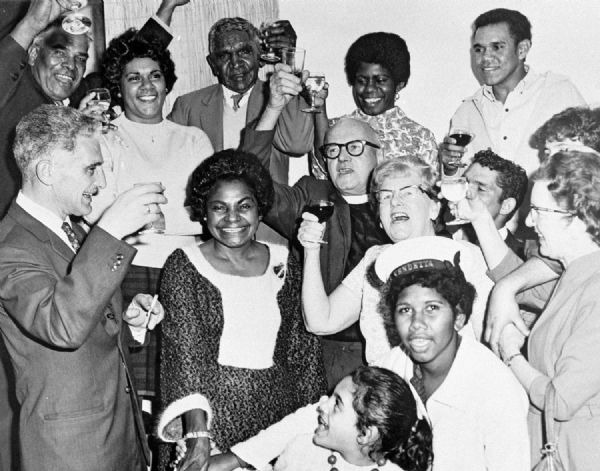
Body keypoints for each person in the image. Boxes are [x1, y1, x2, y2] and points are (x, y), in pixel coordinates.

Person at [212, 247, 529, 471]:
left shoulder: (495, 388)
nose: (417, 323)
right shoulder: (395, 364)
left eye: (432, 308)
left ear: (459, 317)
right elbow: (321, 413)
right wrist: (237, 458)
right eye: (405, 310)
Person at [0, 105, 166, 471]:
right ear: (46, 171)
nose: (102, 183)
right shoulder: (9, 246)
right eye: (91, 168)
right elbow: (60, 325)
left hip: (119, 439)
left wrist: (127, 318)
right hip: (70, 453)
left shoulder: (73, 231)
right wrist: (110, 231)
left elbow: (82, 307)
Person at [156, 149, 326, 471]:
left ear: (260, 211)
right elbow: (186, 358)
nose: (232, 219)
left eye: (244, 206)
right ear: (203, 214)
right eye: (219, 208)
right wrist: (197, 437)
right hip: (210, 420)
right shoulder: (184, 265)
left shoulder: (285, 261)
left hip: (277, 420)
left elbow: (304, 354)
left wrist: (310, 430)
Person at [240, 67, 392, 388]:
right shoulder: (313, 196)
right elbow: (248, 184)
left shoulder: (399, 203)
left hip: (390, 349)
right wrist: (274, 107)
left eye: (354, 147)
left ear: (380, 154)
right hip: (324, 350)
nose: (342, 158)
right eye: (333, 150)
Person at [87, 27, 213, 408]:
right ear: (119, 86)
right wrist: (173, 212)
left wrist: (148, 215)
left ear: (167, 83)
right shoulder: (104, 137)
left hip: (185, 275)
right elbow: (95, 212)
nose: (146, 86)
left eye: (154, 76)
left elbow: (209, 216)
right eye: (133, 77)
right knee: (128, 398)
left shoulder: (194, 139)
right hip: (124, 274)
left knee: (182, 396)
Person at [0, 0, 186, 217]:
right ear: (33, 54)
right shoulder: (13, 90)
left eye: (80, 58)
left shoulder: (82, 96)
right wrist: (33, 24)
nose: (70, 65)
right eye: (59, 52)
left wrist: (167, 7)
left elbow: (132, 64)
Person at [300, 157, 493, 358]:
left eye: (408, 192)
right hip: (388, 386)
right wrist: (311, 249)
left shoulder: (465, 256)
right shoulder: (375, 259)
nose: (395, 202)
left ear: (434, 208)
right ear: (380, 221)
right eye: (385, 197)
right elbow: (321, 321)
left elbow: (488, 341)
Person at [489, 150, 600, 469]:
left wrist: (511, 355)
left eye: (539, 211)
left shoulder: (595, 286)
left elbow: (561, 400)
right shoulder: (576, 275)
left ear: (579, 219)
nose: (527, 221)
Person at [440, 8, 585, 178]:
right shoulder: (466, 112)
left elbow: (589, 168)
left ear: (522, 49)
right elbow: (456, 189)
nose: (486, 57)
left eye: (497, 47)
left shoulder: (559, 94)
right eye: (479, 49)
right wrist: (450, 168)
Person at [168, 17, 312, 185]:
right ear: (213, 64)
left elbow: (298, 145)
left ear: (259, 57)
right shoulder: (188, 106)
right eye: (224, 56)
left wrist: (289, 57)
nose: (235, 63)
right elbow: (166, 163)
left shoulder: (278, 97)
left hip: (267, 209)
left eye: (244, 52)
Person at [314, 32, 438, 178]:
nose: (369, 89)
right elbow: (321, 174)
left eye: (380, 80)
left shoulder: (419, 138)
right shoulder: (334, 128)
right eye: (362, 80)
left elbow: (427, 191)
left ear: (398, 85)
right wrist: (319, 109)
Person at [451, 149, 528, 259]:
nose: (465, 192)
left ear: (506, 206)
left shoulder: (521, 260)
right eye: (465, 182)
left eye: (481, 188)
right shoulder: (441, 238)